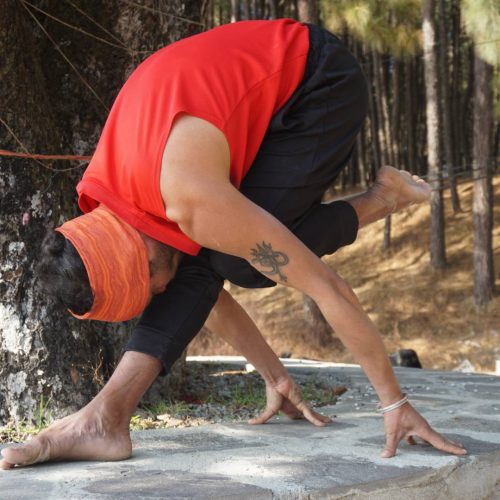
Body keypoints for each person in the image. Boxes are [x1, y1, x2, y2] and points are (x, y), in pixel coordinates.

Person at [0, 19, 466, 470]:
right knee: (217, 257)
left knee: (243, 262)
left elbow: (327, 288)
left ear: (140, 258)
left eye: (152, 290)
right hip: (243, 100)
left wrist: (394, 402)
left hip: (317, 78)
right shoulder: (108, 201)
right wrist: (273, 373)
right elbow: (208, 293)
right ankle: (105, 418)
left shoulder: (189, 200)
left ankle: (386, 196)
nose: (162, 294)